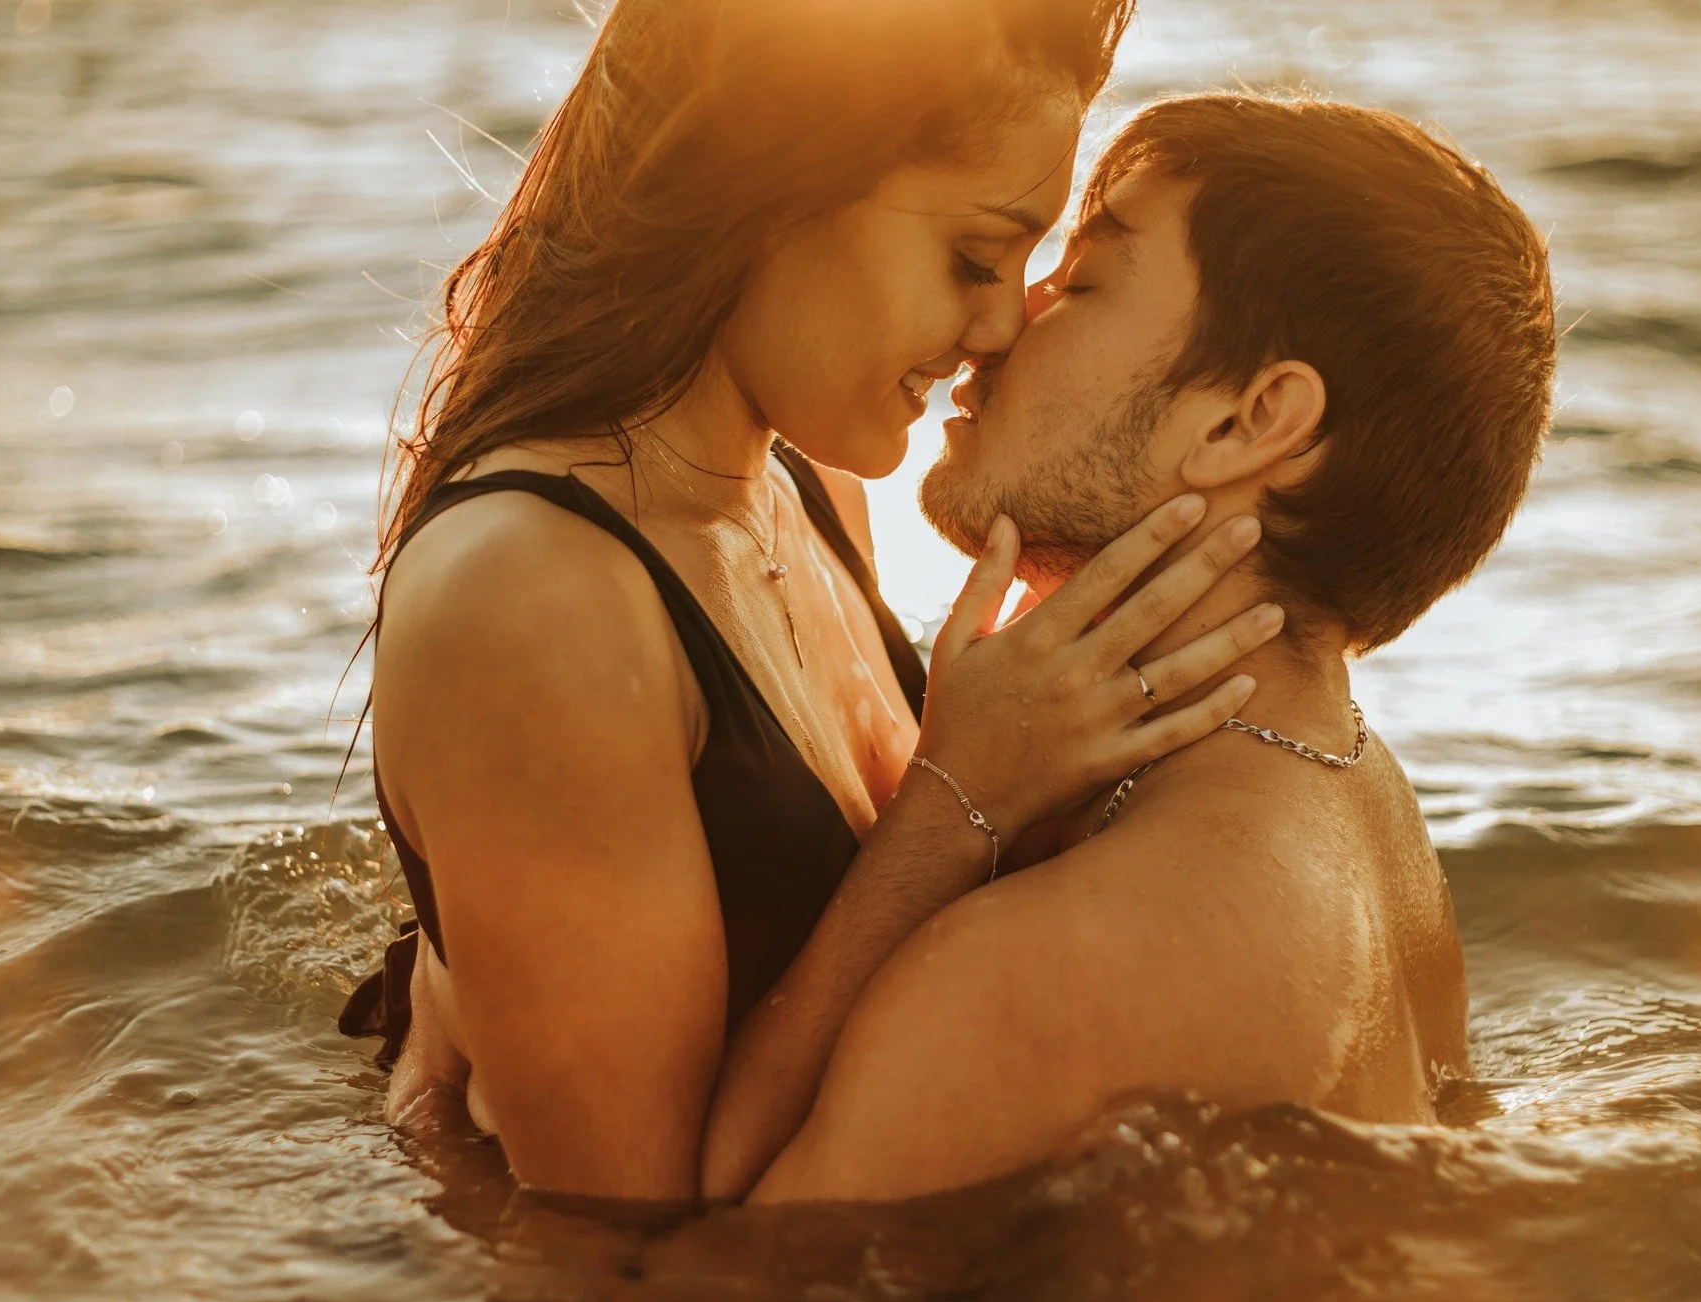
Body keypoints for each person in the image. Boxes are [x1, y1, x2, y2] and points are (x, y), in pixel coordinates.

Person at [335, 0, 1289, 1202]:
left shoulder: (803, 483)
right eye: (970, 256)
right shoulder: (533, 599)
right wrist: (958, 805)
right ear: (770, 190)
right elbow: (622, 1240)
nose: (1003, 324)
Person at [752, 93, 1559, 1203]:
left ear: (1246, 422)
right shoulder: (1360, 807)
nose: (997, 323)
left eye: (1080, 283)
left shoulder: (1046, 966)